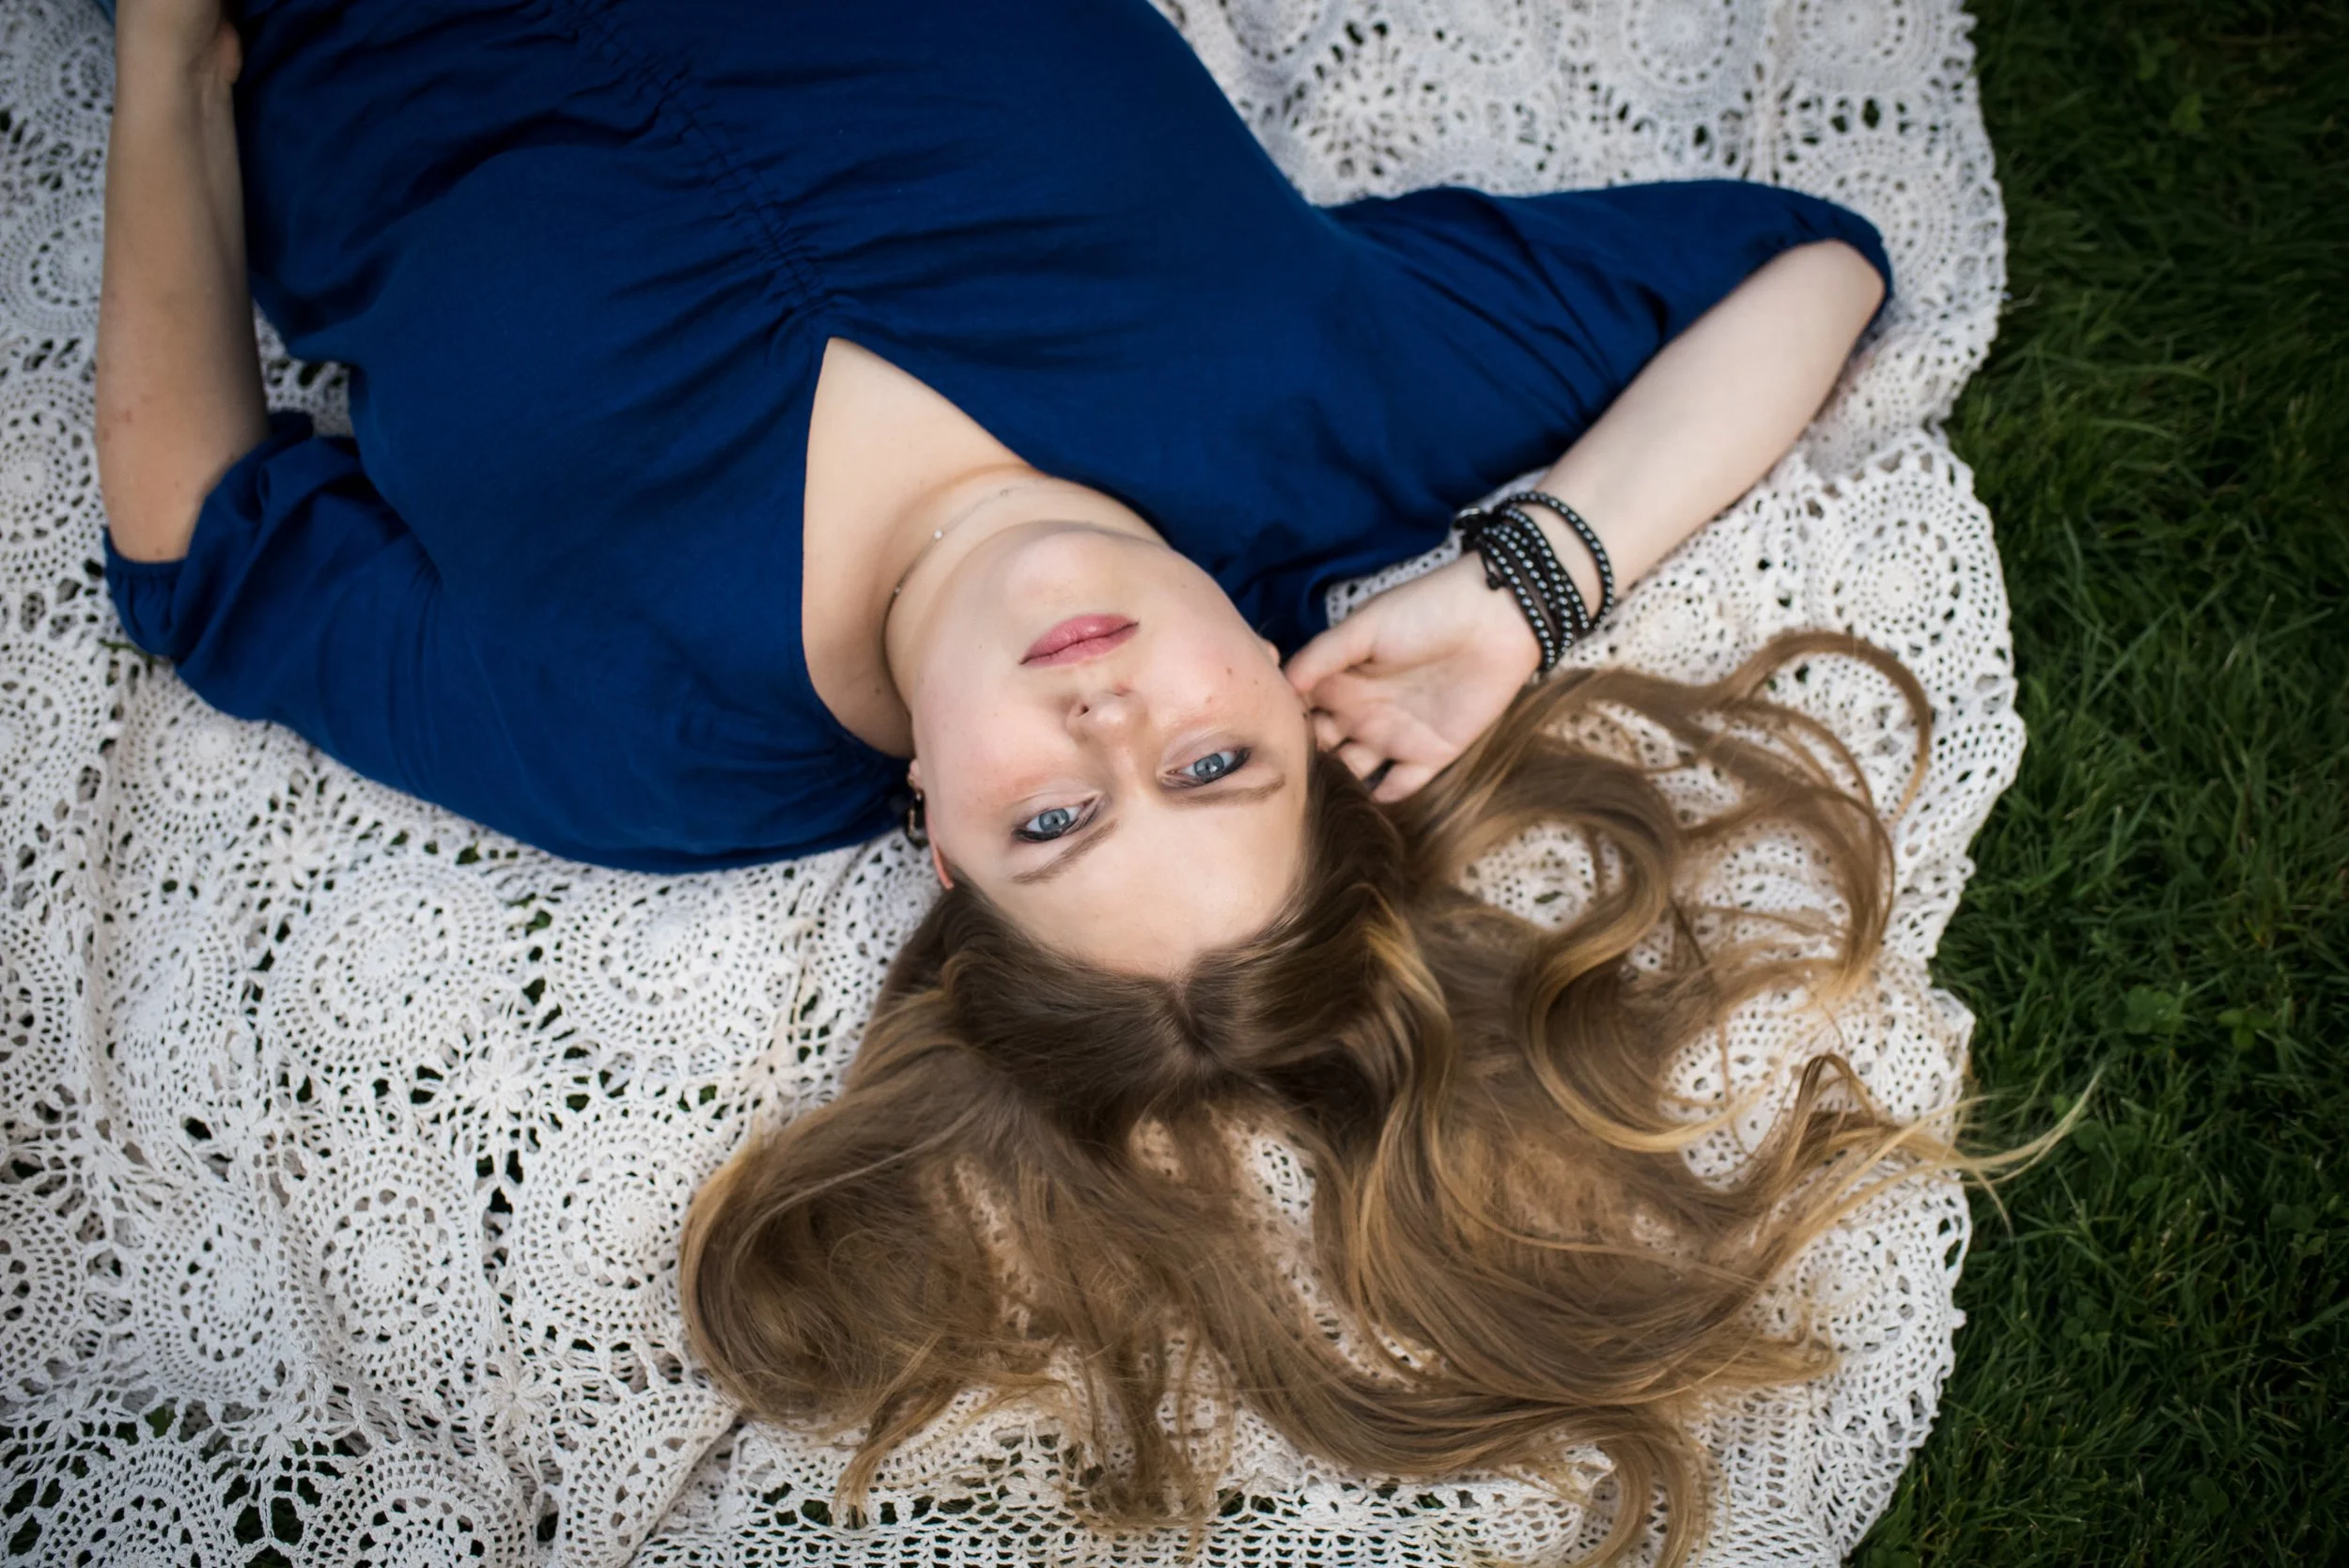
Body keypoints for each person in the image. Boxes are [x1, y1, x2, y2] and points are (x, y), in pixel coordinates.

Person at [95, 0, 1944, 1560]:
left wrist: (168, 61)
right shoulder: (1326, 416)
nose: (1106, 721)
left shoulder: (642, 736)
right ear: (1301, 711)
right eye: (1213, 764)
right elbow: (1808, 267)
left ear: (942, 852)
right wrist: (1528, 586)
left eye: (1052, 821)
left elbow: (202, 555)